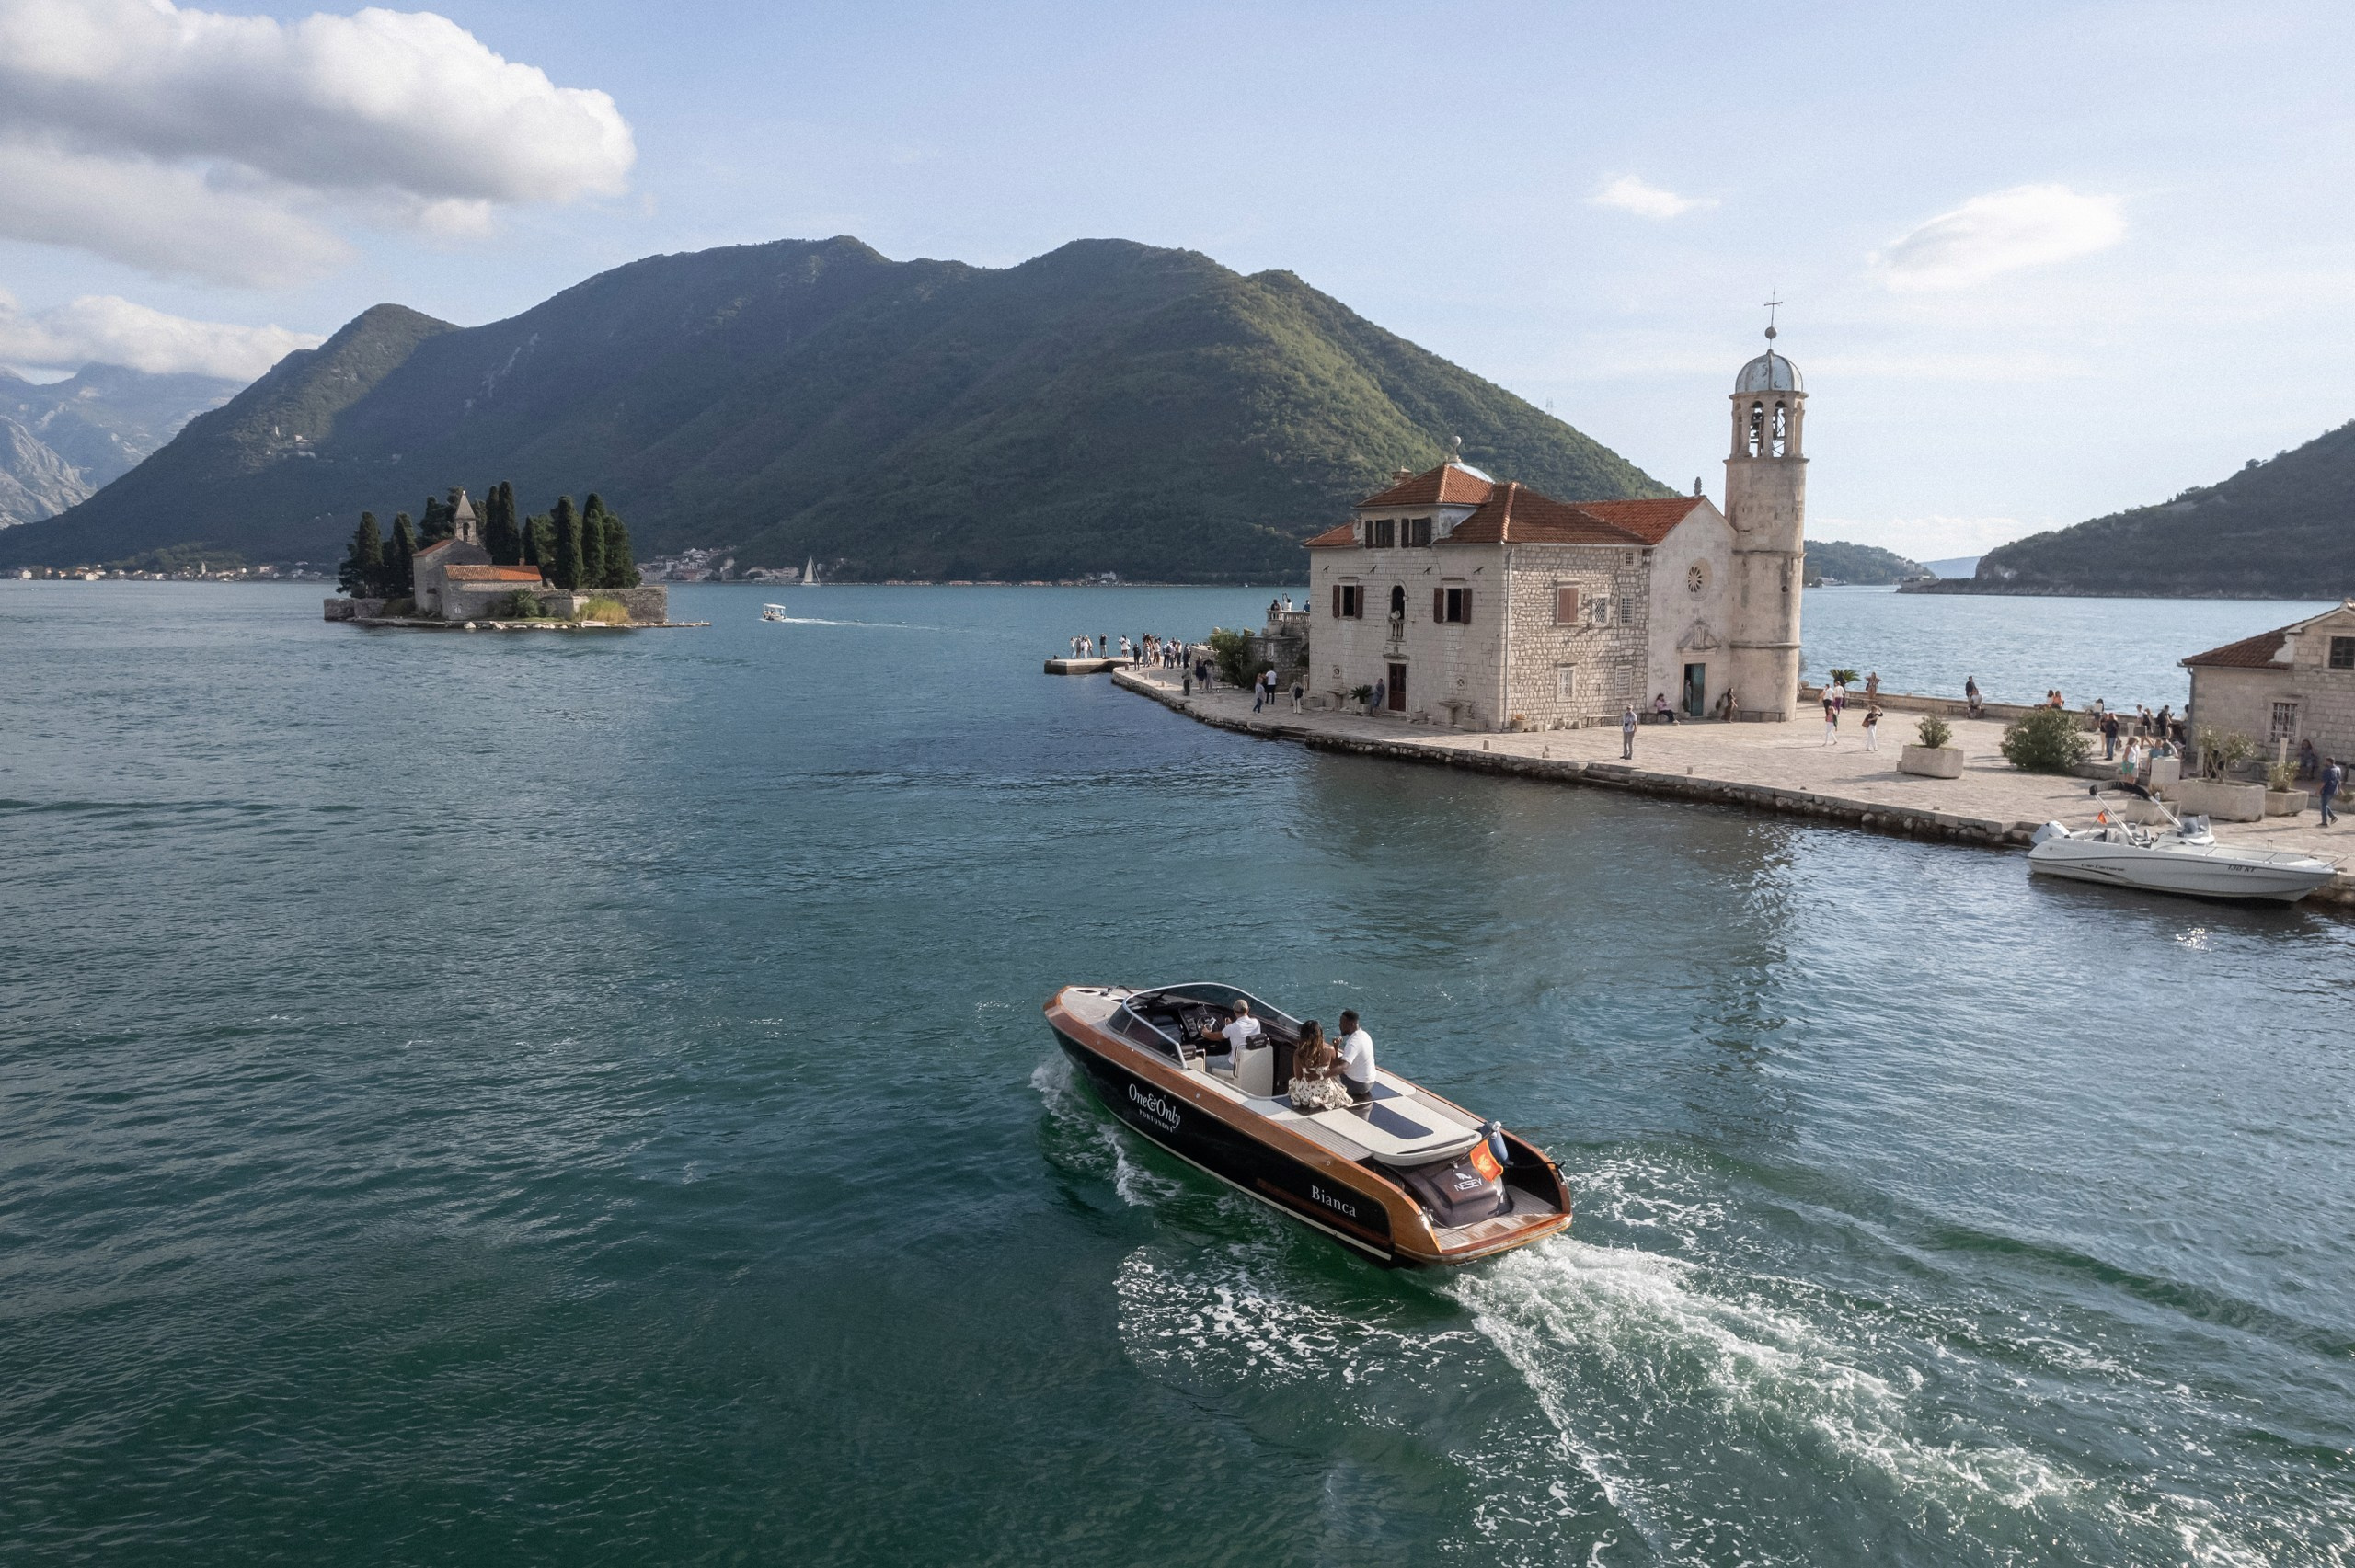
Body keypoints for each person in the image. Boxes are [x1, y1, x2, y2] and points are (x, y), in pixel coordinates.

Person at [1287, 1021, 1350, 1111]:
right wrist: (1336, 1048)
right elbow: (1334, 1069)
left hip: (1305, 1094)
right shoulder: (1329, 1049)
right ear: (1321, 1034)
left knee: (1293, 1082)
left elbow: (1298, 1076)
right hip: (1325, 1092)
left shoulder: (1298, 1053)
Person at [1336, 1011, 1376, 1103]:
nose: (1340, 1025)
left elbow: (1343, 1067)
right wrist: (1336, 1048)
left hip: (1357, 1085)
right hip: (1370, 1082)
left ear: (1352, 1024)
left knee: (1327, 1078)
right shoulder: (1365, 1035)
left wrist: (1322, 1076)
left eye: (1342, 1023)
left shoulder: (1353, 1042)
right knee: (1333, 1065)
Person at [1217, 1000, 1262, 1072]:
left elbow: (1214, 1036)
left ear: (1234, 1011)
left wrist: (1204, 1032)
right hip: (1251, 1060)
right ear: (1247, 1010)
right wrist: (1230, 1026)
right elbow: (1241, 1029)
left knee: (1205, 1060)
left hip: (1233, 1064)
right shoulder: (1256, 1022)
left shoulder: (1232, 1028)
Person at [2324, 757, 2343, 827]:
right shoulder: (2338, 769)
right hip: (2333, 789)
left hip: (2327, 789)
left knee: (2323, 804)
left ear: (2329, 762)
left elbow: (2324, 782)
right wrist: (2339, 789)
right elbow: (2339, 780)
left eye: (2325, 761)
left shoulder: (2328, 770)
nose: (2324, 763)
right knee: (2324, 804)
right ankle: (2332, 817)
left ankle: (2325, 822)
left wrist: (2318, 790)